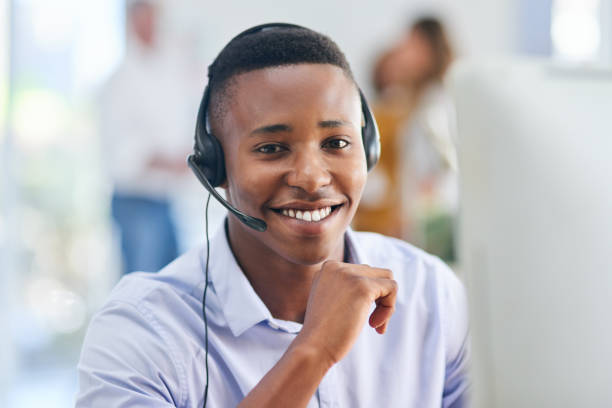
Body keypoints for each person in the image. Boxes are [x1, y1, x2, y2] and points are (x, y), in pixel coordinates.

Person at [77, 24, 469, 407]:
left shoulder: (431, 293)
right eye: (271, 148)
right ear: (216, 167)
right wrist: (313, 351)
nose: (313, 178)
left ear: (367, 151)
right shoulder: (142, 330)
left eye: (337, 142)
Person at [99, 0, 194, 274]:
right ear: (132, 21)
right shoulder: (120, 80)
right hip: (135, 202)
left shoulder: (168, 71)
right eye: (146, 18)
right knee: (141, 286)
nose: (153, 25)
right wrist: (167, 161)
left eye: (155, 18)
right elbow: (121, 151)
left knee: (173, 286)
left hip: (167, 198)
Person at [353, 16, 458, 262]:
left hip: (423, 222)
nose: (403, 51)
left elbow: (442, 171)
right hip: (399, 218)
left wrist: (412, 212)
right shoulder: (404, 104)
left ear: (429, 49)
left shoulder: (436, 105)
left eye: (412, 43)